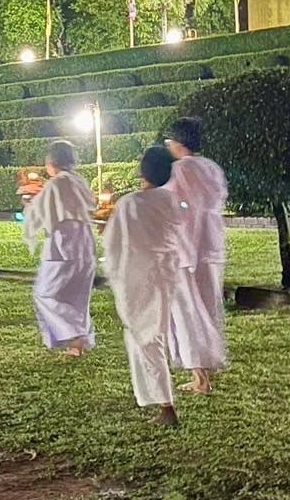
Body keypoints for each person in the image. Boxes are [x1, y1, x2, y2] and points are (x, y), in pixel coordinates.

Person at [102, 146, 192, 428]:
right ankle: (159, 399)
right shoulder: (172, 201)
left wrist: (112, 268)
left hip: (136, 275)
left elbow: (113, 242)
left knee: (147, 338)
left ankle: (166, 405)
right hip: (165, 275)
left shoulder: (130, 203)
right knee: (151, 335)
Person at [164, 116, 229, 394]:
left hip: (187, 248)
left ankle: (200, 376)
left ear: (177, 143)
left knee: (188, 312)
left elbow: (177, 208)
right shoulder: (211, 167)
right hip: (211, 244)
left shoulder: (180, 170)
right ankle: (207, 366)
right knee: (208, 308)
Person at [22, 141, 98, 357]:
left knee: (46, 293)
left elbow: (38, 214)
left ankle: (75, 335)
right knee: (77, 295)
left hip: (63, 242)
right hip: (85, 241)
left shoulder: (56, 184)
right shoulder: (79, 181)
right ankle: (76, 345)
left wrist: (28, 204)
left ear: (51, 162)